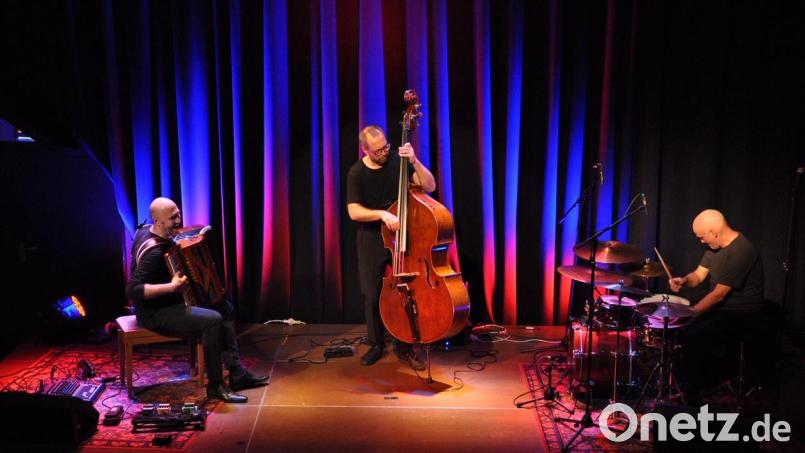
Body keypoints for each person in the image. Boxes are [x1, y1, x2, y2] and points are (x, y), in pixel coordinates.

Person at [125, 197, 268, 403]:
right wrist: (171, 287)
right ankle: (216, 386)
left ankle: (236, 373)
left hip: (170, 303)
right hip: (154, 313)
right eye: (172, 218)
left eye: (178, 214)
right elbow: (132, 290)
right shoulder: (154, 253)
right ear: (158, 221)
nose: (178, 220)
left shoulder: (147, 230)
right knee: (213, 320)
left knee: (225, 308)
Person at [346, 125, 437, 370]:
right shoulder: (357, 173)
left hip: (403, 234)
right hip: (372, 237)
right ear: (364, 150)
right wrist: (382, 214)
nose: (384, 152)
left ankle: (406, 345)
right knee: (372, 293)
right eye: (378, 151)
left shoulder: (399, 160)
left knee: (408, 289)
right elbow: (354, 211)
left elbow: (430, 186)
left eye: (385, 146)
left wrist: (414, 161)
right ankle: (376, 344)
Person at [668, 209, 764, 405]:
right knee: (681, 331)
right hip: (722, 310)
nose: (701, 241)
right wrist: (684, 280)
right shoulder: (713, 247)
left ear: (714, 232)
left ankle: (695, 398)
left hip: (742, 314)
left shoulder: (742, 251)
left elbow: (719, 294)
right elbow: (699, 275)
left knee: (692, 334)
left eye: (702, 237)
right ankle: (689, 386)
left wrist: (691, 313)